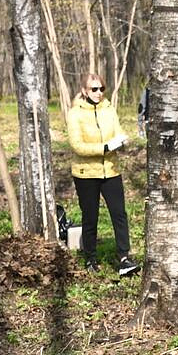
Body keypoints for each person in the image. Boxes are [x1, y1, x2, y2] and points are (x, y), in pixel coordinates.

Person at [64, 71, 137, 275]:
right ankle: (90, 259)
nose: (98, 93)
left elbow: (117, 132)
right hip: (86, 173)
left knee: (119, 214)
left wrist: (121, 141)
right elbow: (77, 146)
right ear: (84, 90)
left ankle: (124, 257)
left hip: (111, 170)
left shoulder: (109, 110)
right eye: (94, 89)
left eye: (101, 88)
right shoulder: (75, 113)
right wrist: (104, 147)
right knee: (90, 216)